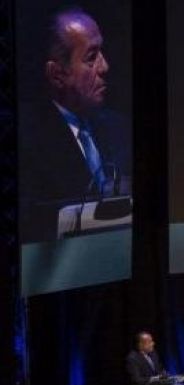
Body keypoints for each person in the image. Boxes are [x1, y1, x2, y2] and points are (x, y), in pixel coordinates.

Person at [19, 7, 131, 243]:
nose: (104, 66)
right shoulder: (26, 143)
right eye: (91, 57)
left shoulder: (120, 130)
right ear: (57, 74)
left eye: (102, 52)